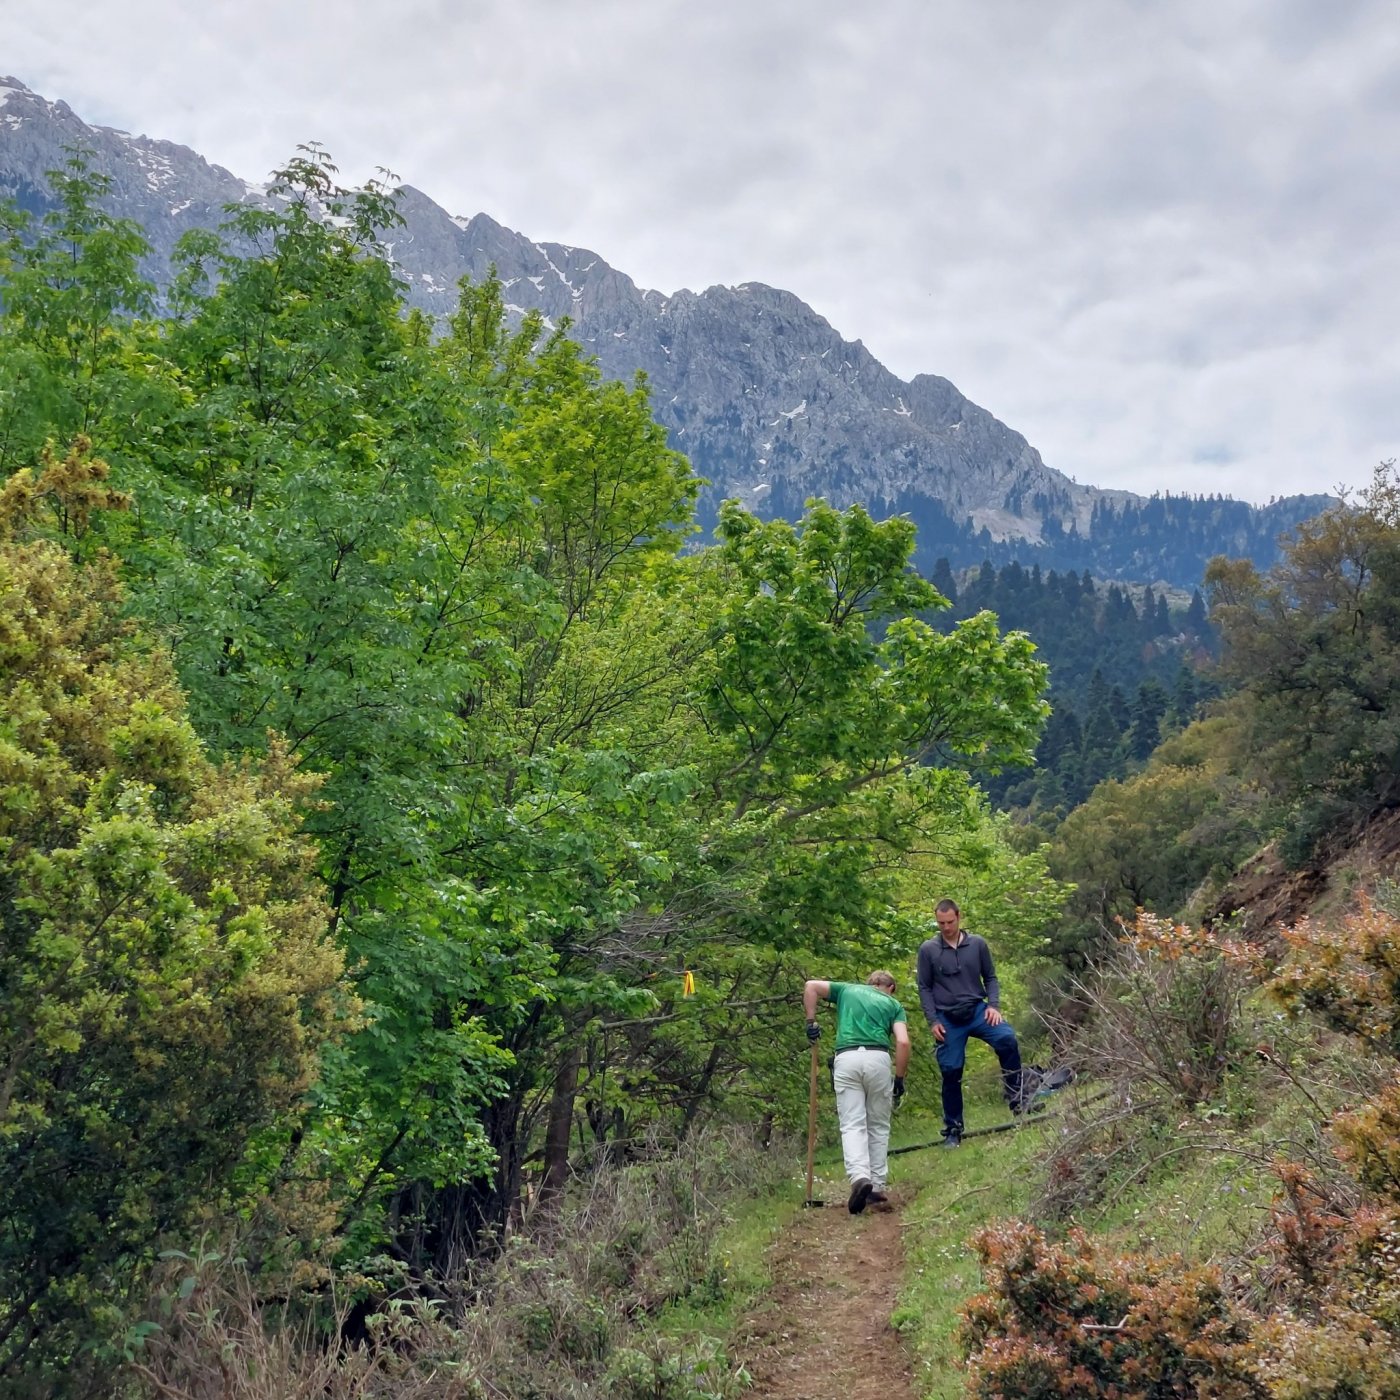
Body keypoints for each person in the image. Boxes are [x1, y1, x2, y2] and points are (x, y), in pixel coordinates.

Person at [915, 899, 1024, 1148]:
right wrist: (932, 1021)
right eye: (941, 923)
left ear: (959, 917)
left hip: (977, 1009)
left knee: (1007, 1039)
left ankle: (1018, 1099)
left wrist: (994, 1006)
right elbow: (924, 987)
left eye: (950, 922)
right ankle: (953, 1128)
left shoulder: (978, 944)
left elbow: (991, 977)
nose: (946, 927)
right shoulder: (928, 949)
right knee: (951, 1069)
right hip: (947, 1017)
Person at [803, 970, 911, 1214]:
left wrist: (811, 1023)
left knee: (852, 1123)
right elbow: (903, 1042)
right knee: (878, 1124)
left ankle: (860, 1178)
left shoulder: (846, 990)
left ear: (869, 983)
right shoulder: (893, 1004)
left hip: (847, 1057)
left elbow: (810, 986)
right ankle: (875, 1186)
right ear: (891, 987)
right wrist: (900, 1079)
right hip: (878, 1059)